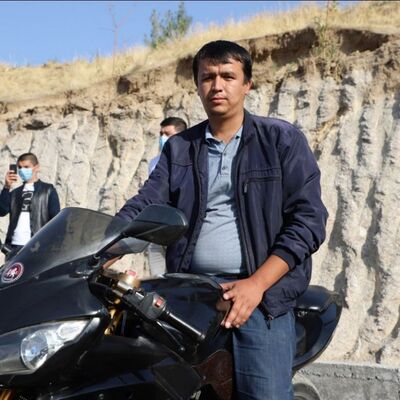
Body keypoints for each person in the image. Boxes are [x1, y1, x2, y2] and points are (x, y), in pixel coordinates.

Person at [115, 40, 328, 399]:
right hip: (193, 294)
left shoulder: (281, 140)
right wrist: (107, 244)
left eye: (228, 76)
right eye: (207, 77)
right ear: (197, 85)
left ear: (247, 84)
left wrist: (256, 284)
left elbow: (308, 221)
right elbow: (146, 204)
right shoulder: (180, 148)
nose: (217, 85)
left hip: (263, 297)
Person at [147, 117, 188, 276]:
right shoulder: (154, 162)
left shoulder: (190, 160)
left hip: (181, 225)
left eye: (167, 134)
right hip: (158, 224)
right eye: (161, 133)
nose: (162, 138)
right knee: (157, 273)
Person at [0, 152, 60, 259]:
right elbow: (2, 211)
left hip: (37, 246)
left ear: (37, 167)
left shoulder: (48, 190)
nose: (22, 170)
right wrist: (6, 187)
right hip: (13, 247)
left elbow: (56, 219)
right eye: (20, 167)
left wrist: (51, 246)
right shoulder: (15, 193)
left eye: (26, 167)